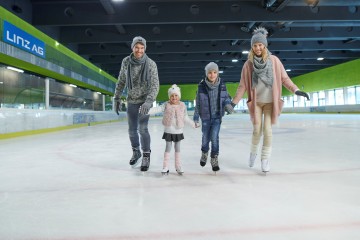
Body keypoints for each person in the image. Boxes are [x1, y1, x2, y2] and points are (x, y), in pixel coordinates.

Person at [229, 27, 310, 173]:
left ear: (264, 45)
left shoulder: (274, 61)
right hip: (257, 103)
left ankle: (265, 159)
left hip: (270, 103)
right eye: (255, 45)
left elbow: (285, 79)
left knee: (267, 130)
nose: (258, 48)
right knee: (256, 130)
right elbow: (242, 86)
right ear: (252, 47)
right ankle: (253, 154)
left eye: (260, 45)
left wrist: (296, 90)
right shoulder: (248, 65)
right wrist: (233, 103)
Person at [114, 36, 160, 172]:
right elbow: (121, 80)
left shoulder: (151, 64)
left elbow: (155, 85)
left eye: (142, 48)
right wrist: (116, 97)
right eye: (137, 47)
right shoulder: (126, 62)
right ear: (132, 47)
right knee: (131, 130)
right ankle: (136, 152)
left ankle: (146, 155)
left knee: (142, 129)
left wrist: (149, 101)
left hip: (145, 101)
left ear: (145, 48)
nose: (139, 50)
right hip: (131, 100)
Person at [193, 62, 234, 173]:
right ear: (206, 74)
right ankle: (204, 153)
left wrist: (228, 105)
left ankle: (214, 158)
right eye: (210, 73)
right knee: (205, 138)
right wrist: (196, 118)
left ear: (217, 73)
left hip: (217, 117)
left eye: (215, 72)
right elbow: (198, 104)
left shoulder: (222, 85)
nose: (212, 75)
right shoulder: (201, 86)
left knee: (214, 138)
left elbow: (226, 98)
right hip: (205, 117)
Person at [147, 84, 197, 175]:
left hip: (178, 130)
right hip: (169, 130)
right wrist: (147, 110)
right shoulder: (166, 104)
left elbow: (185, 118)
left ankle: (178, 166)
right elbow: (157, 109)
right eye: (172, 95)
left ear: (179, 96)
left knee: (177, 148)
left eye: (176, 95)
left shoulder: (182, 105)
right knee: (168, 147)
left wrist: (193, 124)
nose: (174, 97)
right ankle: (165, 166)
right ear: (169, 97)